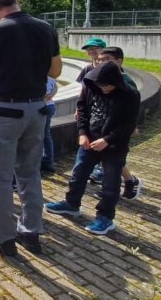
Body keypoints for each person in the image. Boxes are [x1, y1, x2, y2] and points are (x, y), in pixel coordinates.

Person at [0, 0, 62, 257]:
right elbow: (55, 70)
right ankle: (30, 232)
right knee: (29, 172)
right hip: (37, 109)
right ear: (17, 1)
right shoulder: (46, 28)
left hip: (5, 113)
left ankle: (1, 237)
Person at [45, 61, 141, 235]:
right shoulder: (90, 87)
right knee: (78, 174)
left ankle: (105, 217)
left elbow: (129, 124)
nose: (103, 89)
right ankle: (71, 204)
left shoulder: (130, 94)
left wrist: (107, 139)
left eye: (107, 86)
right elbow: (82, 109)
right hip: (89, 140)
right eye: (101, 85)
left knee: (110, 182)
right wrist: (82, 133)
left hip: (114, 146)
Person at [98, 47, 142, 200]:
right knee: (108, 158)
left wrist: (130, 127)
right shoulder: (103, 77)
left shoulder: (125, 81)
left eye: (107, 59)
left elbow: (131, 108)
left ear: (119, 61)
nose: (103, 62)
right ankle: (128, 181)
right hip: (105, 127)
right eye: (101, 60)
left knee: (113, 159)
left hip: (117, 129)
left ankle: (122, 185)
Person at [76, 37, 108, 185]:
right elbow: (81, 90)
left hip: (103, 112)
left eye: (95, 48)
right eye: (89, 49)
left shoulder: (109, 69)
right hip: (89, 111)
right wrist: (78, 108)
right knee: (89, 141)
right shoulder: (87, 69)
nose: (92, 51)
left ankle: (103, 171)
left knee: (102, 143)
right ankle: (95, 169)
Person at [40, 76, 59, 173]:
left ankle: (39, 162)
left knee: (37, 136)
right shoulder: (51, 74)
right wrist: (50, 96)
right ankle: (48, 161)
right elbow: (55, 87)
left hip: (41, 107)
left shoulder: (37, 72)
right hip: (50, 105)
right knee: (46, 134)